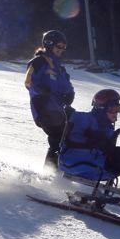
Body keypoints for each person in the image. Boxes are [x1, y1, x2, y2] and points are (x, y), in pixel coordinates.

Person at [59, 89, 120, 187]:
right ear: (101, 109)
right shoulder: (84, 118)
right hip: (76, 162)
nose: (116, 113)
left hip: (91, 162)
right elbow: (72, 138)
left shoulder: (106, 128)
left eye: (118, 109)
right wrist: (92, 141)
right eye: (112, 109)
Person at [25, 30, 75, 170]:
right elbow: (29, 82)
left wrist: (70, 94)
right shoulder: (38, 62)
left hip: (59, 110)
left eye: (64, 47)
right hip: (43, 109)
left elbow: (67, 86)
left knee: (76, 130)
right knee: (58, 138)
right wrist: (40, 90)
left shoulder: (60, 68)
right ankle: (50, 174)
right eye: (59, 46)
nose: (62, 49)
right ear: (48, 44)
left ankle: (68, 170)